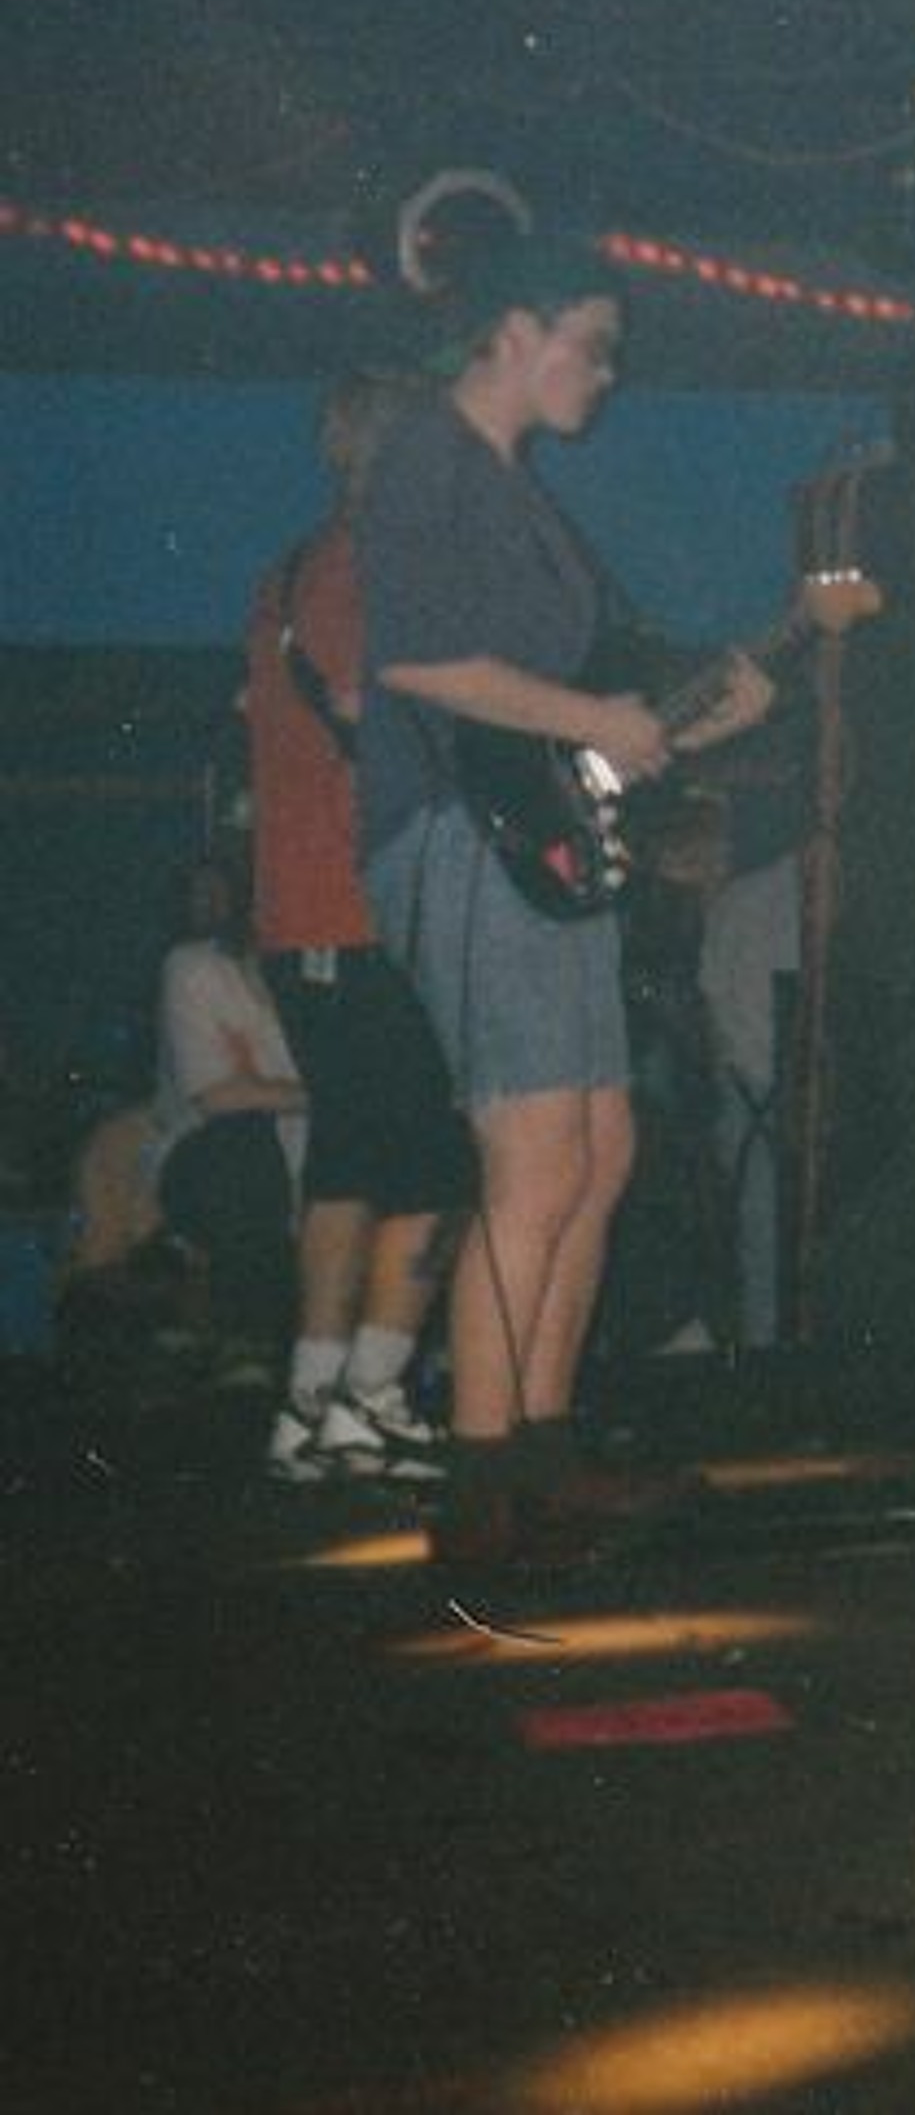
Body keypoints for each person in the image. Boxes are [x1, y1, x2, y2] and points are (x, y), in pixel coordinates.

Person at [355, 234, 770, 1572]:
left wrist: (690, 713)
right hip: (460, 834)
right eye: (592, 343)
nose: (607, 370)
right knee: (535, 1155)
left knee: (597, 1146)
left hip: (537, 838)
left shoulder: (514, 491)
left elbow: (584, 706)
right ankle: (481, 1490)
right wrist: (596, 718)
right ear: (515, 332)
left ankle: (542, 1450)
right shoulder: (428, 456)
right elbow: (417, 663)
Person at [243, 370, 475, 1484]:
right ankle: (371, 1395)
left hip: (307, 917)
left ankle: (316, 1404)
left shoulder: (294, 569)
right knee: (434, 1163)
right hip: (362, 910)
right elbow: (374, 725)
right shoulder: (368, 569)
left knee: (351, 1158)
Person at [150, 849, 306, 1351]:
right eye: (198, 894)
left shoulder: (310, 974)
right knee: (243, 1140)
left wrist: (266, 1087)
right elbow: (218, 1097)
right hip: (209, 1158)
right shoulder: (194, 968)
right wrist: (314, 1096)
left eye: (218, 891)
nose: (209, 904)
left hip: (305, 1155)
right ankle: (247, 1342)